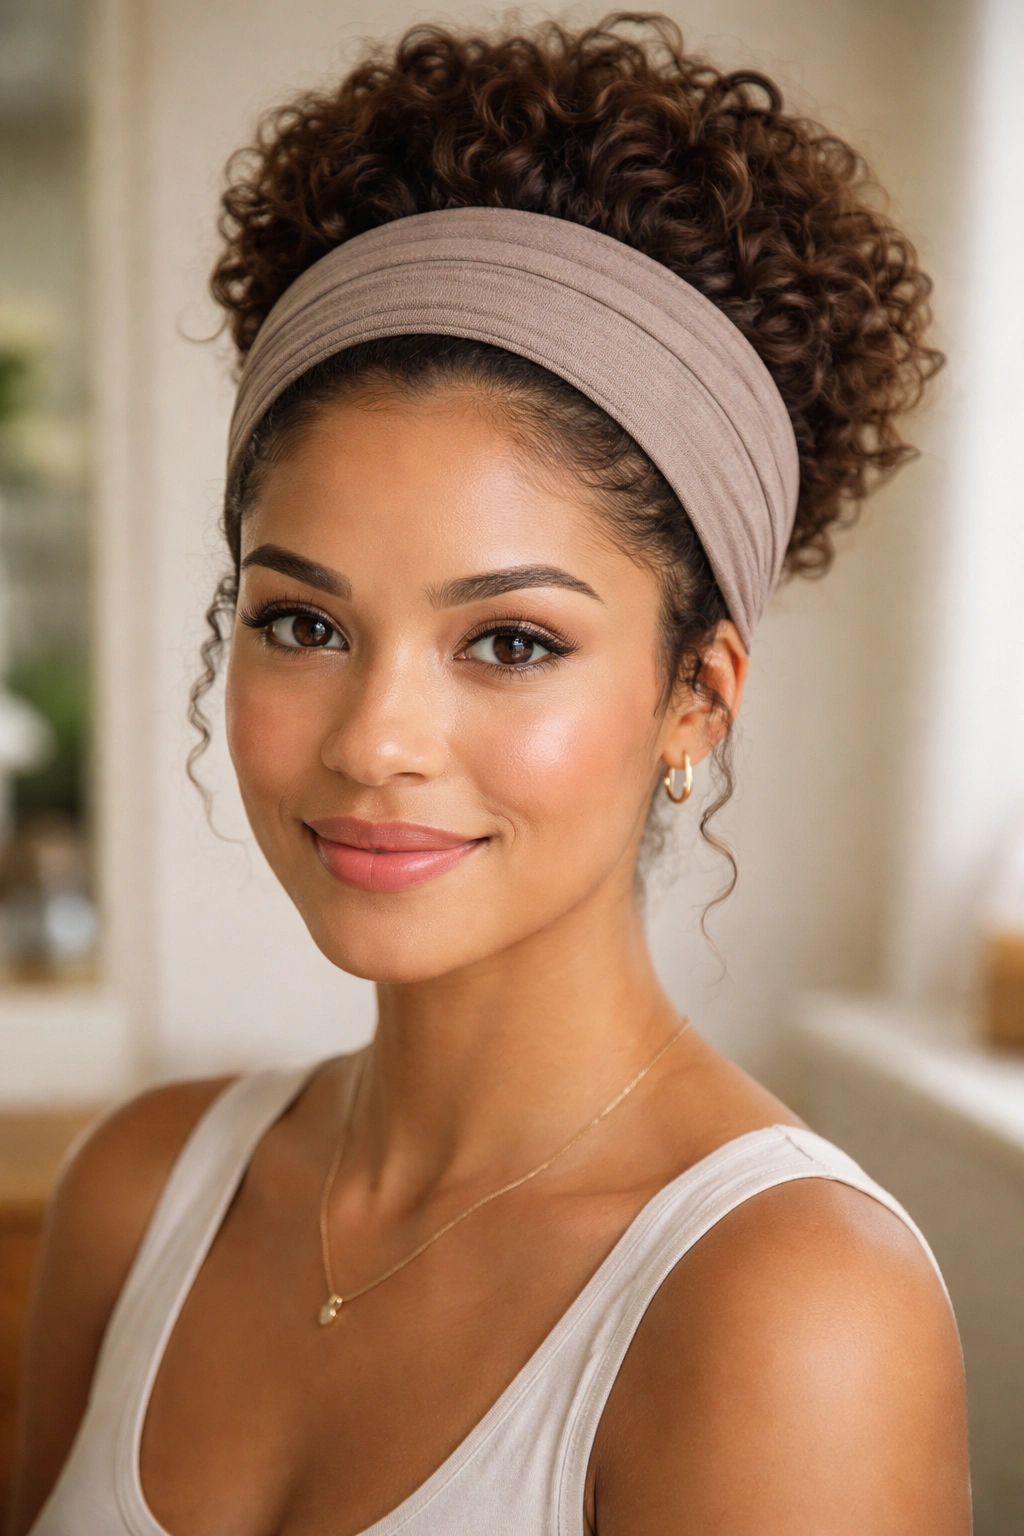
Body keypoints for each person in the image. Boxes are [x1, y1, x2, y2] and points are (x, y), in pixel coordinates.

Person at [11, 16, 970, 1535]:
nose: (375, 738)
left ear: (694, 699)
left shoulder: (784, 1311)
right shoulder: (142, 1194)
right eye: (305, 621)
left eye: (510, 641)